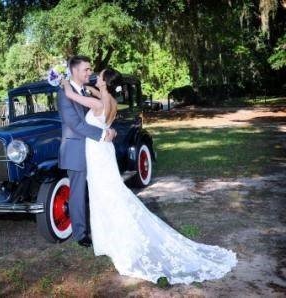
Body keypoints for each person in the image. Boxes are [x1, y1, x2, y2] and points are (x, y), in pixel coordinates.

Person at [61, 67, 238, 284]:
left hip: (98, 153)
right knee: (110, 193)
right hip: (103, 153)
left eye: (99, 74)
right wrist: (93, 86)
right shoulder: (111, 102)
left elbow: (71, 95)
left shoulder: (99, 103)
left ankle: (114, 239)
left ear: (104, 81)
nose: (95, 74)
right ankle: (109, 237)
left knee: (105, 195)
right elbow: (94, 93)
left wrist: (63, 81)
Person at [56, 55, 117, 247]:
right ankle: (81, 233)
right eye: (86, 70)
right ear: (74, 71)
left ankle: (106, 227)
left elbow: (103, 112)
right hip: (77, 150)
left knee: (100, 189)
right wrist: (103, 133)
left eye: (91, 70)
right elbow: (74, 124)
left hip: (96, 151)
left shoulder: (87, 92)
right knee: (78, 193)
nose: (90, 73)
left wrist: (108, 130)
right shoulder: (63, 94)